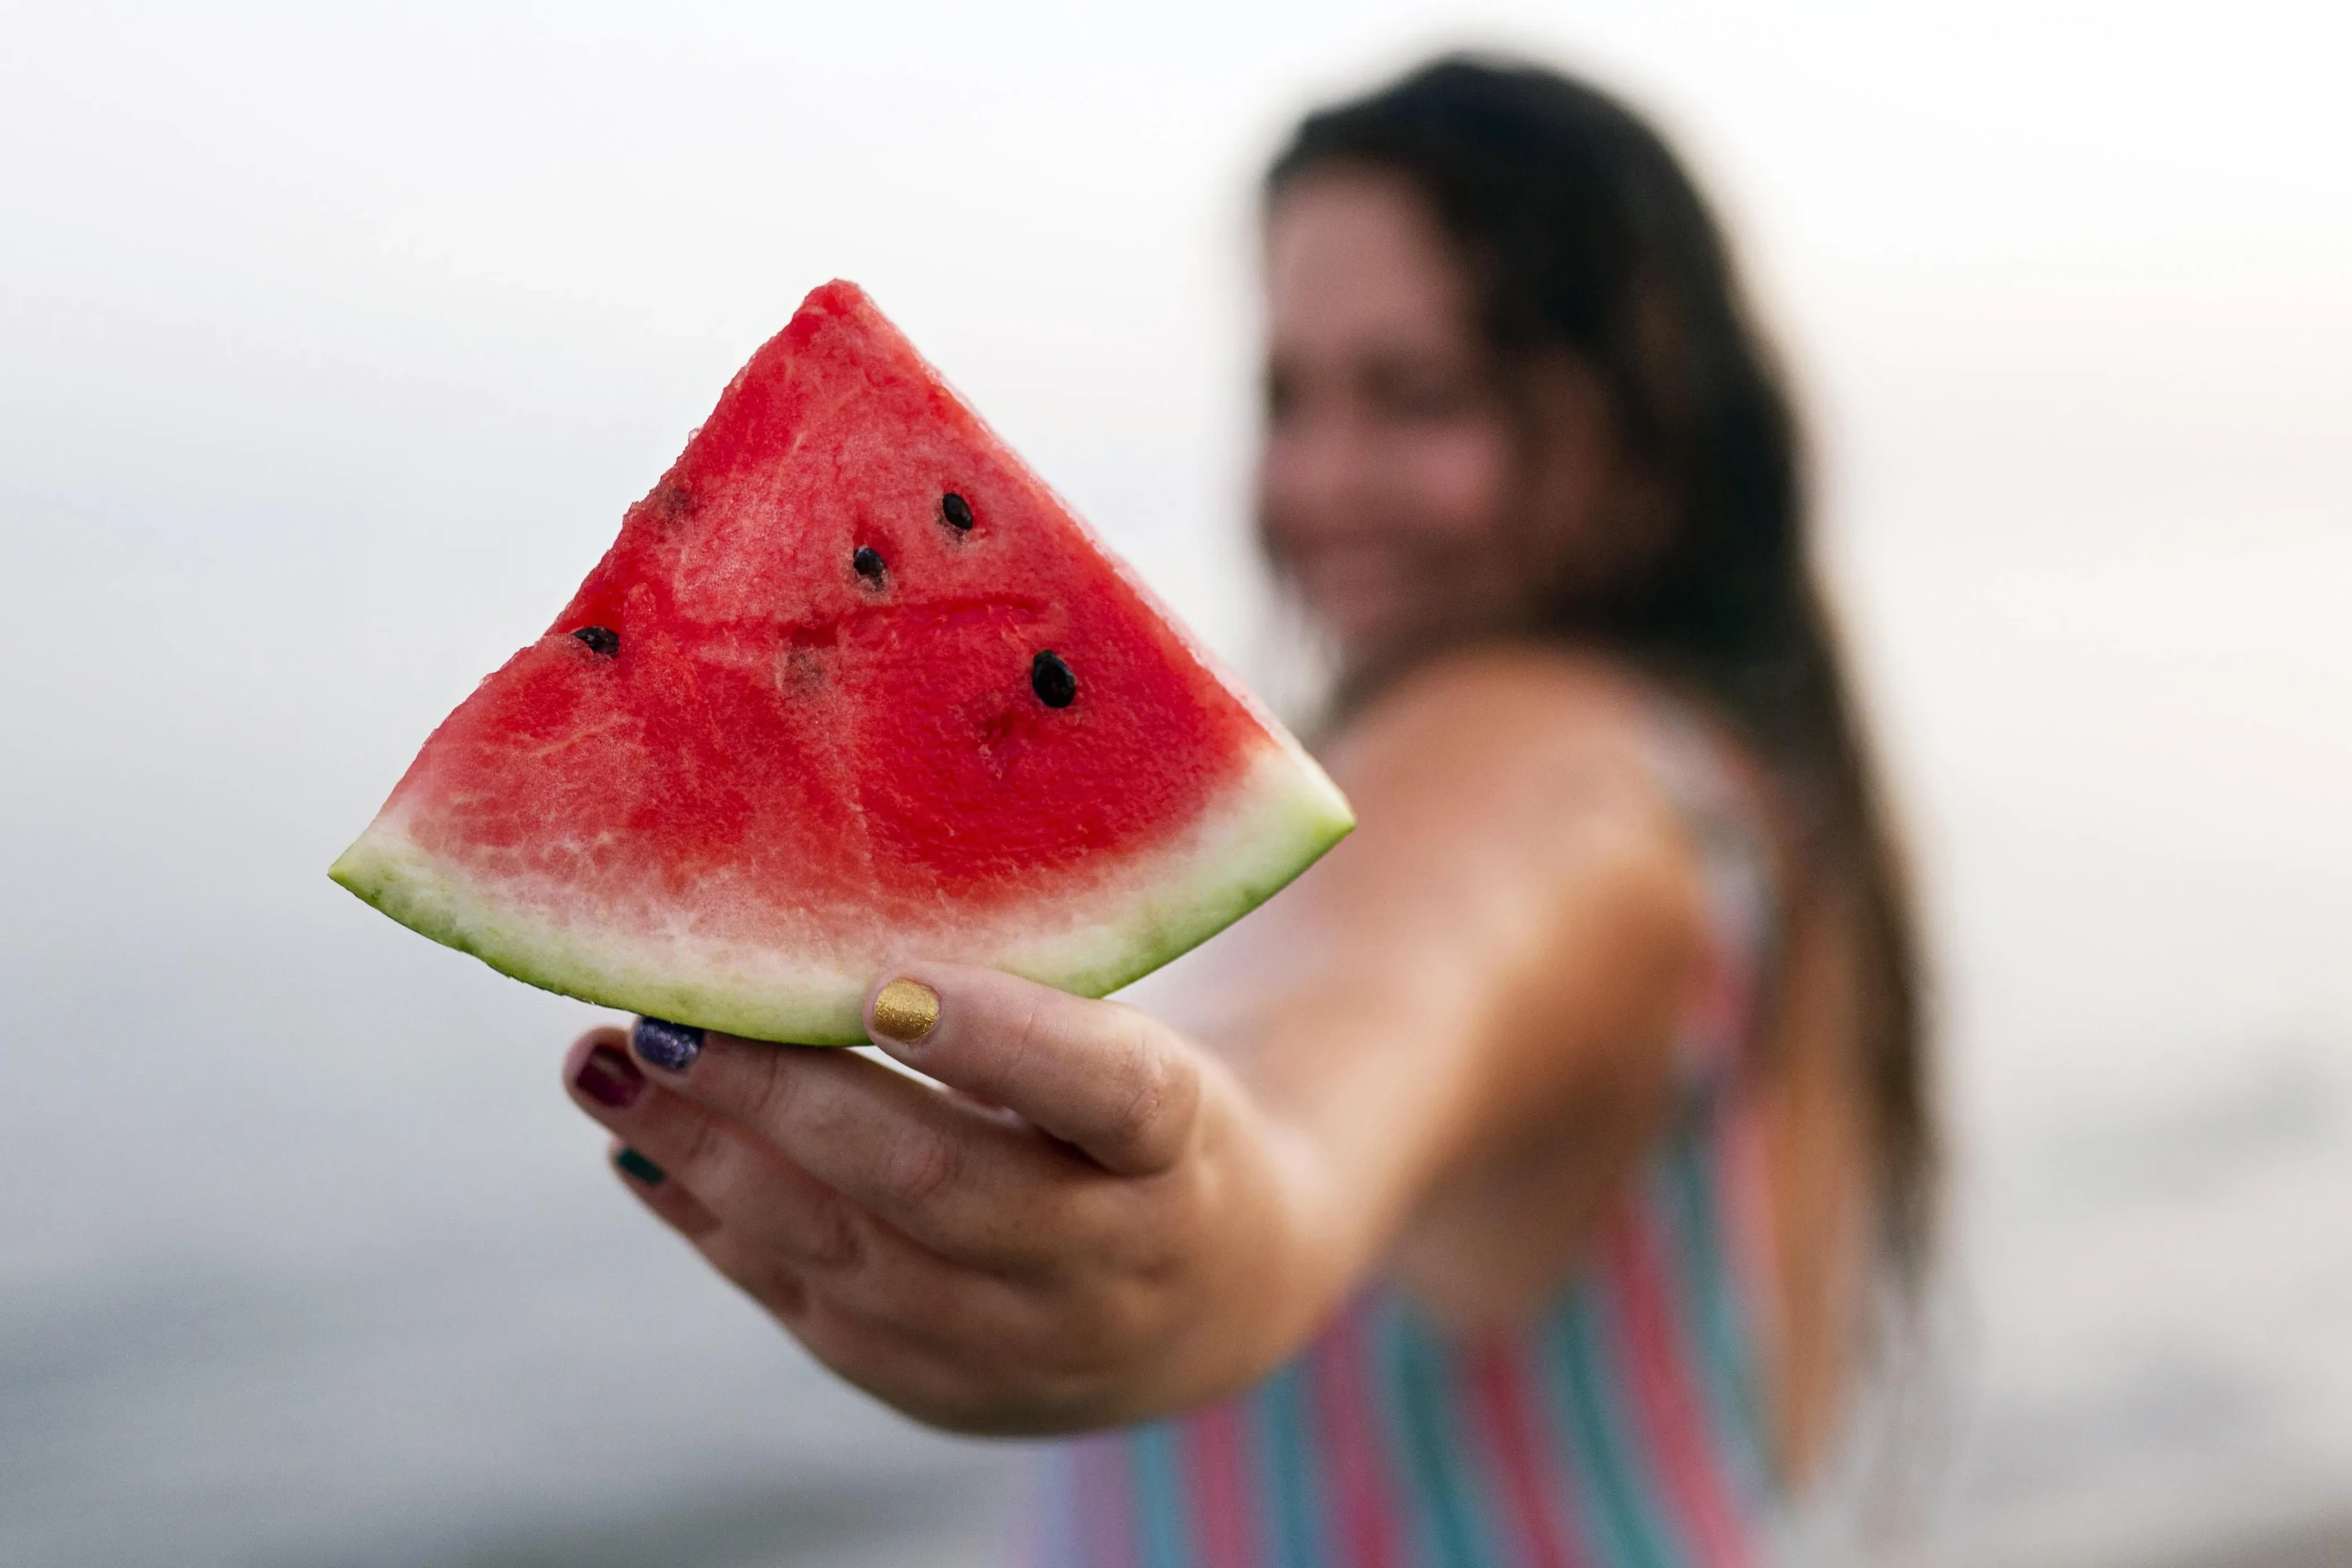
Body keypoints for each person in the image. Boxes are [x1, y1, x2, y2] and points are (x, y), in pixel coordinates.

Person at [560, 54, 1930, 1567]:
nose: (1320, 480)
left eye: (1419, 395)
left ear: (1649, 421)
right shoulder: (1733, 772)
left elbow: (1346, 1062)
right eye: (1291, 394)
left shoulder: (1562, 764)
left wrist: (1214, 1213)